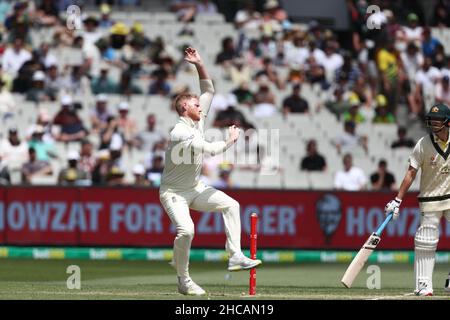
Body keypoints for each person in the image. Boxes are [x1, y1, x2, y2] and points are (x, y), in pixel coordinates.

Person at [159, 47, 261, 296]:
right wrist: (230, 141)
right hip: (174, 193)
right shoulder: (179, 132)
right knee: (187, 231)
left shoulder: (198, 119)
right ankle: (183, 280)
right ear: (185, 108)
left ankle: (235, 255)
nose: (201, 106)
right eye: (196, 104)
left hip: (194, 188)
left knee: (231, 205)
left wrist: (199, 64)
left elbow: (208, 90)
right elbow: (208, 149)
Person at [384, 103, 450, 296]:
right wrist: (397, 200)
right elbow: (411, 173)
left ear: (447, 122)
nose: (433, 123)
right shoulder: (423, 144)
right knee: (426, 239)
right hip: (430, 198)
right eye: (432, 119)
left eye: (437, 119)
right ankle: (423, 284)